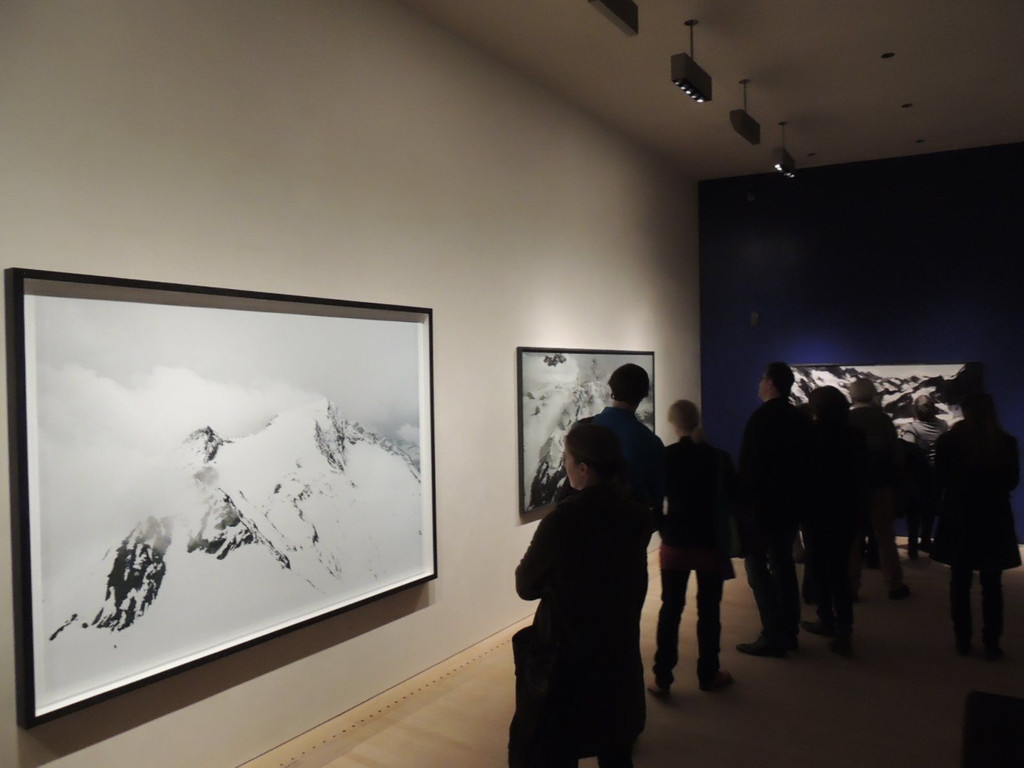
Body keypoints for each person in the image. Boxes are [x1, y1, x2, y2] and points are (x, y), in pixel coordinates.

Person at [509, 423, 650, 768]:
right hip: (619, 654)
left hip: (569, 661)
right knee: (616, 750)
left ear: (584, 468)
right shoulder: (635, 516)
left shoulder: (562, 522)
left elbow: (525, 585)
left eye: (568, 459)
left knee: (559, 747)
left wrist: (556, 583)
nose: (564, 465)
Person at [649, 400, 736, 696]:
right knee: (709, 610)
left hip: (675, 541)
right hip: (709, 542)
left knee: (671, 609)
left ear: (673, 424)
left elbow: (654, 499)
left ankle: (662, 677)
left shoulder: (666, 456)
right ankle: (708, 673)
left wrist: (663, 527)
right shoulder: (718, 457)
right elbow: (734, 497)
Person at [930, 393, 1021, 660]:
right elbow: (1011, 481)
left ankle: (963, 639)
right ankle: (992, 641)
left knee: (959, 581)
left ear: (965, 411)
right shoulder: (1005, 442)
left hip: (959, 515)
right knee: (992, 583)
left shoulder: (948, 441)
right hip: (994, 516)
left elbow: (941, 478)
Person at [735, 361, 812, 657]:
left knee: (757, 565)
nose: (759, 383)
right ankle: (789, 630)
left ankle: (772, 634)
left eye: (762, 378)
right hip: (791, 506)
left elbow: (749, 469)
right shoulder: (799, 418)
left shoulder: (761, 419)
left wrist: (742, 506)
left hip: (764, 507)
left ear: (770, 383)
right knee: (783, 564)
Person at [800, 386, 869, 656]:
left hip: (817, 510)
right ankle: (844, 629)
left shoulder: (811, 435)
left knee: (819, 568)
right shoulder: (855, 436)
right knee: (839, 570)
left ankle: (827, 619)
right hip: (847, 511)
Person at [847, 378, 911, 600]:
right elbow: (897, 456)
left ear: (851, 396)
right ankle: (894, 584)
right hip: (882, 485)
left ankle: (851, 587)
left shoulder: (847, 419)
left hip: (853, 487)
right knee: (885, 537)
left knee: (852, 540)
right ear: (873, 394)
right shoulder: (883, 419)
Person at [591, 363, 666, 536]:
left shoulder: (582, 429)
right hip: (629, 534)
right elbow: (656, 497)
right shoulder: (650, 442)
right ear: (643, 395)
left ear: (612, 388)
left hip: (587, 528)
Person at [899, 394, 948, 553]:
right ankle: (926, 540)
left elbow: (908, 450)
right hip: (936, 473)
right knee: (930, 509)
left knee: (913, 510)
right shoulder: (943, 426)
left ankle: (912, 543)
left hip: (916, 475)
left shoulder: (911, 428)